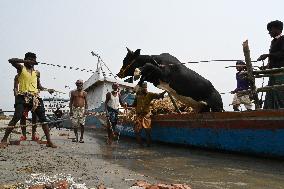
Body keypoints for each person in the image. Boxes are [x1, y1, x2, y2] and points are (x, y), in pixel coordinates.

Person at [0, 52, 56, 148]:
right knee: (17, 116)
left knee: (43, 119)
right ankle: (4, 140)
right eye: (30, 59)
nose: (32, 61)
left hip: (35, 97)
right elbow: (11, 60)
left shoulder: (37, 73)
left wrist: (48, 89)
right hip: (22, 96)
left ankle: (49, 141)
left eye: (33, 60)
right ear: (26, 59)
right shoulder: (21, 68)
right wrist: (25, 61)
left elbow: (39, 86)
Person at [257, 20, 284, 109]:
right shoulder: (273, 42)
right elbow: (274, 58)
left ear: (278, 29)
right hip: (273, 72)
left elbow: (282, 54)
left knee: (279, 91)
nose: (269, 33)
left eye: (270, 30)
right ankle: (270, 110)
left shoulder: (283, 39)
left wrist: (268, 55)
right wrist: (266, 67)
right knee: (271, 92)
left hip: (281, 72)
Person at [130, 82, 165, 147]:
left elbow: (158, 96)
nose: (145, 89)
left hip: (146, 115)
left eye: (145, 87)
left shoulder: (150, 94)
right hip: (139, 115)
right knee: (137, 131)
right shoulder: (137, 96)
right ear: (140, 88)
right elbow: (134, 104)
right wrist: (127, 105)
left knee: (147, 131)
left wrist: (163, 93)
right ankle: (141, 146)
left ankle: (148, 145)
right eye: (143, 88)